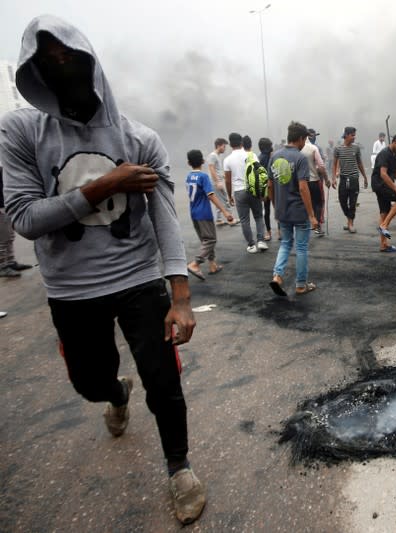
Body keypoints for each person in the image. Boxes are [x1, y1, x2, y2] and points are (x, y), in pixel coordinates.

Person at [0, 16, 206, 524]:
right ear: (34, 72)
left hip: (138, 279)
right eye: (47, 61)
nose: (60, 66)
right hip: (70, 289)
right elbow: (25, 218)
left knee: (165, 382)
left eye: (69, 56)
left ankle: (179, 467)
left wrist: (180, 297)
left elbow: (163, 217)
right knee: (90, 383)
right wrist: (103, 185)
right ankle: (115, 394)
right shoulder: (21, 130)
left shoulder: (140, 138)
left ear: (91, 61)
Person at [268, 121, 318, 296]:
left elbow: (270, 185)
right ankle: (301, 285)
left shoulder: (274, 156)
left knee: (285, 243)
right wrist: (312, 215)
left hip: (282, 210)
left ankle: (277, 276)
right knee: (302, 247)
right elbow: (303, 188)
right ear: (301, 138)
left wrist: (276, 206)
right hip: (298, 210)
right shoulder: (300, 158)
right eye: (305, 139)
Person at [185, 150, 234, 280]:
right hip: (204, 213)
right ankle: (195, 263)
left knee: (205, 239)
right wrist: (225, 211)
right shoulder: (203, 177)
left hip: (194, 212)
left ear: (188, 163)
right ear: (203, 161)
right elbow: (211, 195)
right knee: (211, 239)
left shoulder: (188, 176)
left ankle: (213, 265)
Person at [224, 133, 268, 253]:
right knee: (258, 216)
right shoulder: (252, 155)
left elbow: (227, 180)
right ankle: (261, 241)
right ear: (241, 143)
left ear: (230, 144)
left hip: (238, 191)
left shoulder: (227, 160)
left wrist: (229, 195)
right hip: (253, 189)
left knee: (244, 220)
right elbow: (260, 173)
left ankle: (251, 245)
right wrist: (262, 191)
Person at [371, 131, 396, 252]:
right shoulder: (384, 154)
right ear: (395, 141)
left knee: (384, 213)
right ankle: (383, 226)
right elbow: (383, 174)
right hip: (380, 184)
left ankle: (384, 245)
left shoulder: (395, 155)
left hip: (384, 185)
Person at [332, 126, 368, 234]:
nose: (354, 137)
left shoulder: (356, 148)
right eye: (352, 135)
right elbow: (334, 164)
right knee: (342, 201)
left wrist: (365, 177)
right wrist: (333, 178)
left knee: (353, 203)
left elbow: (360, 163)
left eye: (354, 135)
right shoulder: (338, 149)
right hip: (343, 180)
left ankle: (350, 223)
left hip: (354, 179)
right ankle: (349, 219)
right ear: (346, 135)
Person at [1, 166, 33, 277]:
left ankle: (10, 262)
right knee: (2, 239)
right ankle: (2, 267)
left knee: (9, 237)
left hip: (5, 207)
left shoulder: (3, 169)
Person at [302, 128, 329, 237]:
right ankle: (317, 225)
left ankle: (307, 225)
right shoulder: (314, 148)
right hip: (314, 180)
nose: (314, 137)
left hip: (303, 182)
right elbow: (321, 166)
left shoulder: (298, 148)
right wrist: (326, 179)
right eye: (312, 136)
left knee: (307, 202)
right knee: (318, 203)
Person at [206, 137, 236, 226]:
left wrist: (223, 176)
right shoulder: (213, 155)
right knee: (225, 199)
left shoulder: (216, 156)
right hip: (216, 183)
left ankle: (219, 220)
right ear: (218, 146)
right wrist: (217, 181)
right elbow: (211, 168)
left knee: (219, 200)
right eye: (224, 146)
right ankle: (230, 218)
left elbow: (216, 169)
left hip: (216, 181)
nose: (224, 148)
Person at [257, 137, 274, 241]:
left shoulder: (260, 158)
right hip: (275, 186)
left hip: (266, 187)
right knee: (277, 208)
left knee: (267, 210)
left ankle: (268, 232)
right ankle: (280, 232)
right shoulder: (274, 155)